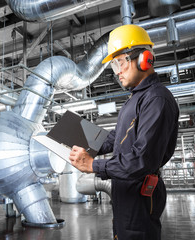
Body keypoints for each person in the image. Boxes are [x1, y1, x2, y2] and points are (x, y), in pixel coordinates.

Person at [69, 24, 179, 240]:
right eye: (114, 65)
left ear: (144, 59)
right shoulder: (135, 99)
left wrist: (93, 165)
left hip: (140, 193)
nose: (117, 72)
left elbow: (142, 159)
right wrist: (77, 136)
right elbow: (116, 139)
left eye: (121, 62)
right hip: (125, 190)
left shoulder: (156, 99)